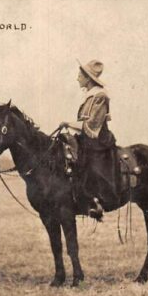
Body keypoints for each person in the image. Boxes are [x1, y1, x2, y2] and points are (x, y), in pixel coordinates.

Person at [61, 60, 118, 220]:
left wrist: (68, 123)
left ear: (88, 78)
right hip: (87, 138)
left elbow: (93, 125)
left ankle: (96, 202)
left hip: (98, 141)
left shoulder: (100, 96)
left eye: (80, 75)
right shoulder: (90, 96)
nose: (77, 78)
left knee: (88, 166)